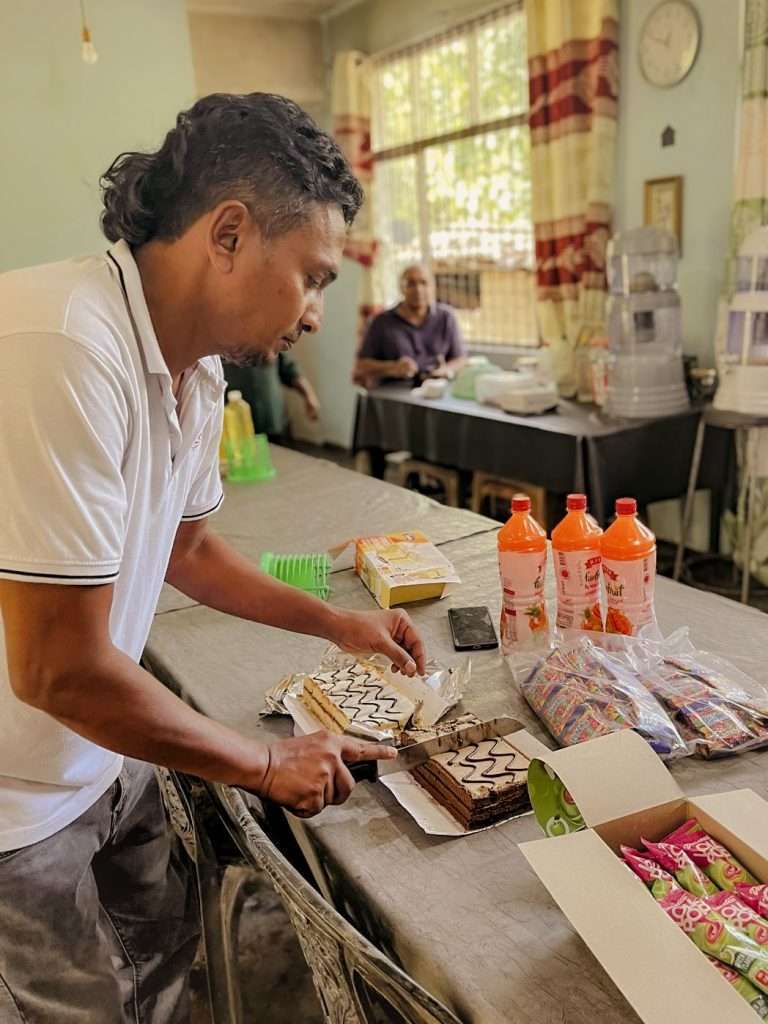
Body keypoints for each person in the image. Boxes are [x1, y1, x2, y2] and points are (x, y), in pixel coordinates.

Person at [0, 93, 426, 1024]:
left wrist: (335, 619)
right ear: (228, 234)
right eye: (313, 277)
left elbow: (189, 549)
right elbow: (54, 666)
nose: (317, 313)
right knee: (80, 1007)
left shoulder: (195, 373)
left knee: (165, 962)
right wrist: (265, 766)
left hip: (106, 754)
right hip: (14, 799)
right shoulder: (63, 346)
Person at [353, 264, 467, 387]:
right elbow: (361, 364)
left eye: (424, 283)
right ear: (401, 288)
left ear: (433, 287)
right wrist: (393, 367)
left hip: (435, 391)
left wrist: (446, 370)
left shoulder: (447, 317)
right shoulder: (381, 322)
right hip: (394, 394)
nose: (418, 289)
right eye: (411, 284)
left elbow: (460, 358)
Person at [224, 350, 320, 440]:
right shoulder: (220, 349)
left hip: (276, 424)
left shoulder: (270, 340)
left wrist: (309, 397)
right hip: (239, 430)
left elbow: (291, 372)